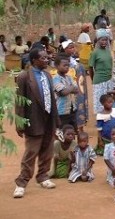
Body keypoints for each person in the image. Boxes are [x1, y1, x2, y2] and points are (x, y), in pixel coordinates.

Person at [13, 48, 59, 199]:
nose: (47, 60)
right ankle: (21, 183)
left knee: (47, 149)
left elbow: (51, 98)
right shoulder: (24, 77)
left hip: (48, 118)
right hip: (33, 119)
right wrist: (20, 122)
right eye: (44, 58)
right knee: (31, 152)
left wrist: (56, 119)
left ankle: (43, 176)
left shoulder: (47, 75)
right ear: (34, 60)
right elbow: (20, 102)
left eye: (47, 58)